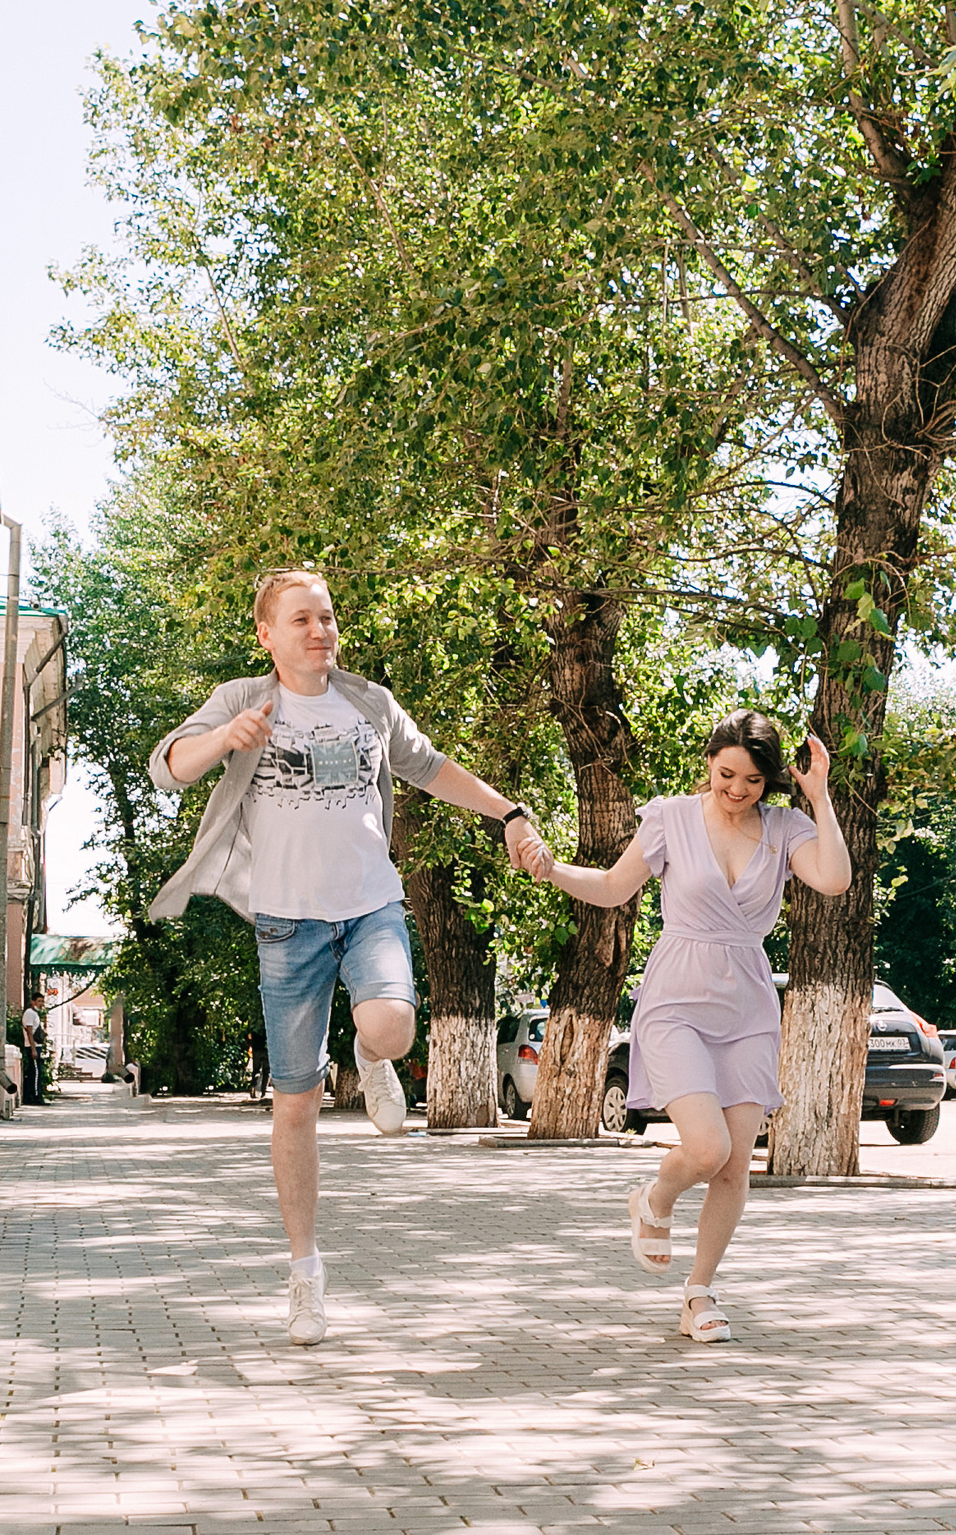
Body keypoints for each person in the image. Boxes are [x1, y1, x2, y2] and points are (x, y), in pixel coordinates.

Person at [147, 568, 543, 1345]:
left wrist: (510, 812)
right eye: (301, 619)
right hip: (287, 924)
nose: (319, 630)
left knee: (394, 1024)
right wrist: (223, 739)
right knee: (294, 1102)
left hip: (369, 904)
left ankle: (373, 1054)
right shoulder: (242, 699)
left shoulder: (367, 703)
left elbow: (430, 767)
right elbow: (169, 765)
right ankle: (305, 1275)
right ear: (268, 635)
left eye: (326, 617)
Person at [513, 710, 851, 1343]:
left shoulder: (785, 828)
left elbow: (834, 879)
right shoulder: (670, 817)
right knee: (706, 1148)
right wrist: (552, 870)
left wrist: (820, 795)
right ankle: (656, 1198)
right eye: (726, 774)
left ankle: (699, 1291)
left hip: (748, 1005)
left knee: (733, 1167)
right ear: (709, 764)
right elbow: (615, 887)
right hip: (677, 999)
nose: (737, 790)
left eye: (752, 780)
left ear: (769, 780)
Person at [21, 991, 48, 1105]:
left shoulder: (35, 1014)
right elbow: (29, 1032)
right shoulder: (29, 1013)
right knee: (36, 1072)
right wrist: (33, 1049)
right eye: (39, 1001)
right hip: (33, 1046)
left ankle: (32, 1095)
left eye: (42, 1001)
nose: (41, 1004)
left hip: (37, 1046)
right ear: (33, 1002)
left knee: (35, 1072)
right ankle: (35, 1097)